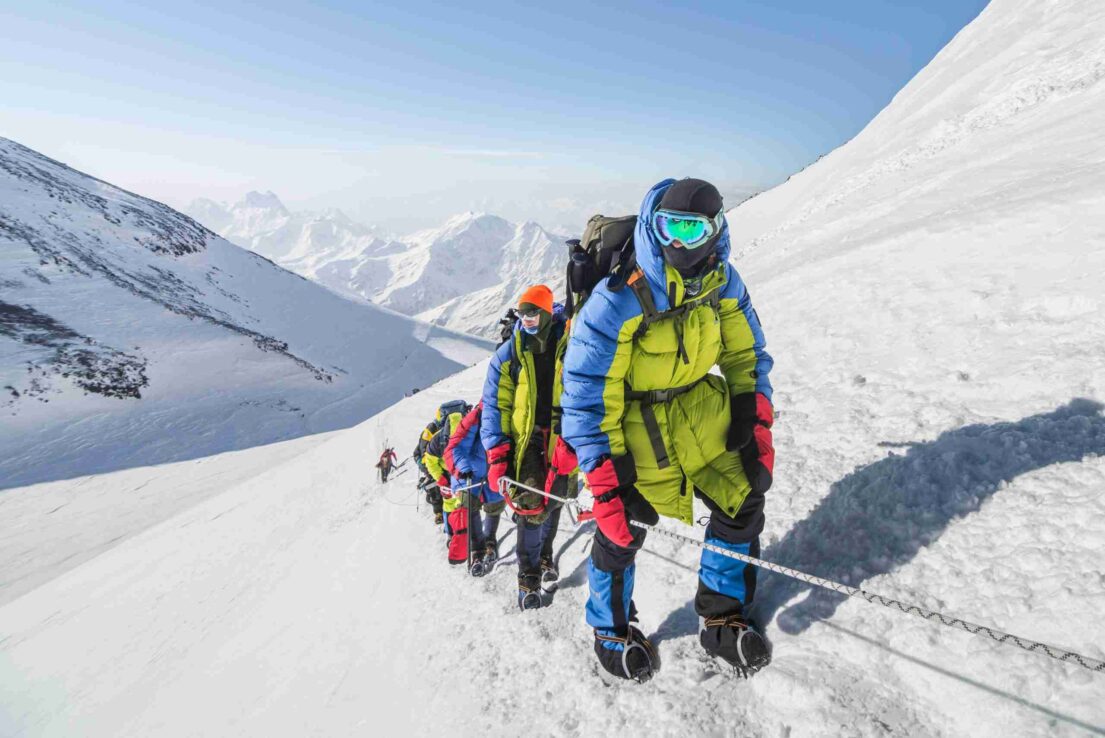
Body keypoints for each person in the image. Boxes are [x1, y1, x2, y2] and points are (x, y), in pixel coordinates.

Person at [560, 178, 775, 681]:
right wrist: (606, 475)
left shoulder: (723, 281)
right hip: (632, 426)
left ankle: (722, 615)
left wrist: (753, 416)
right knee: (621, 529)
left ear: (715, 230)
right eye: (668, 227)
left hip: (699, 410)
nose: (677, 242)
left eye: (691, 229)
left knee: (742, 499)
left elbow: (747, 353)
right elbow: (587, 393)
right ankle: (610, 627)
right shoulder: (620, 296)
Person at [481, 284, 572, 609]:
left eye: (534, 313)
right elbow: (495, 405)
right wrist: (497, 453)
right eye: (523, 314)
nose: (528, 319)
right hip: (527, 442)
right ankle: (528, 578)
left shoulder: (568, 341)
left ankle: (545, 557)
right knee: (530, 508)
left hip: (563, 438)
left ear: (547, 313)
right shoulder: (510, 353)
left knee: (557, 500)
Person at [444, 402, 505, 574]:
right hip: (469, 473)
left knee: (495, 505)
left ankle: (490, 541)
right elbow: (455, 447)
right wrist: (463, 467)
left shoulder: (507, 411)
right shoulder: (476, 417)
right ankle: (477, 549)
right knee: (469, 505)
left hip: (495, 469)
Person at [422, 405, 474, 564]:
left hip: (458, 474)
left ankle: (454, 535)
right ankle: (457, 535)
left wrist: (440, 477)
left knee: (453, 505)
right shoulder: (469, 433)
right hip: (456, 475)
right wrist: (441, 478)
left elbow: (430, 461)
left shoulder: (438, 439)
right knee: (458, 505)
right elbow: (429, 461)